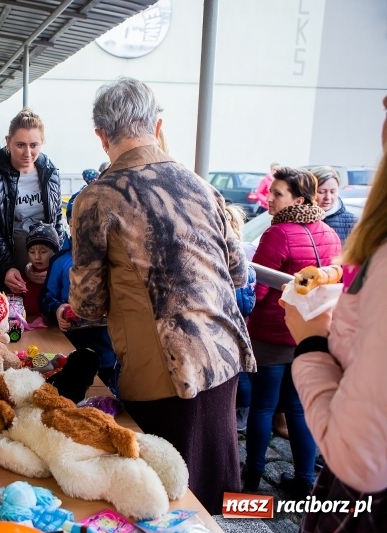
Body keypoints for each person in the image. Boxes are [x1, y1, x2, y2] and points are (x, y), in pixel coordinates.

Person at [69, 76, 254, 515]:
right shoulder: (200, 185)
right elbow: (239, 271)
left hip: (162, 369)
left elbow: (87, 304)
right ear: (157, 126)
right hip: (223, 354)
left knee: (164, 496)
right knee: (217, 480)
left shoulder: (97, 199)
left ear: (102, 136)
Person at [282, 95, 387, 531]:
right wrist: (333, 278)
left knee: (274, 408)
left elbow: (359, 458)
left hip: (362, 500)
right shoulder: (343, 229)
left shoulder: (283, 234)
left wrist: (310, 341)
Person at [243, 167, 341, 498]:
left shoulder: (277, 234)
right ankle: (304, 480)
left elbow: (256, 291)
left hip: (271, 336)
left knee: (262, 407)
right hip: (309, 336)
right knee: (299, 408)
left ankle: (251, 478)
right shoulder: (329, 232)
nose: (269, 199)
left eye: (277, 193)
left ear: (298, 200)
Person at [0, 107, 64, 294]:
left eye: (34, 145)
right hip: (4, 269)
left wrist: (54, 263)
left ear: (42, 143)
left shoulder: (51, 172)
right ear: (8, 141)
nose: (27, 153)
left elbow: (57, 223)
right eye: (20, 145)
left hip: (44, 271)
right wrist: (7, 266)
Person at [40, 195, 118, 397]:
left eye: (94, 219)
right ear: (70, 222)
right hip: (69, 346)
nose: (88, 226)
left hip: (107, 349)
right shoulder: (59, 261)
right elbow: (45, 297)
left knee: (105, 400)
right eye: (81, 219)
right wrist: (57, 309)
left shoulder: (114, 260)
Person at [225, 204, 257, 433]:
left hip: (231, 326)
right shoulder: (247, 262)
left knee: (239, 374)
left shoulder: (234, 262)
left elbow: (243, 303)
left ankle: (239, 412)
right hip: (241, 326)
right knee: (242, 371)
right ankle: (239, 413)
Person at [19, 222, 59, 317]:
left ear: (54, 252)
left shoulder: (60, 276)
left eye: (43, 251)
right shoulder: (22, 279)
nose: (37, 257)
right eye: (32, 252)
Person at [311, 165, 359, 244]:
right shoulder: (299, 218)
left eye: (333, 192)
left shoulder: (352, 222)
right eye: (321, 192)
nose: (328, 197)